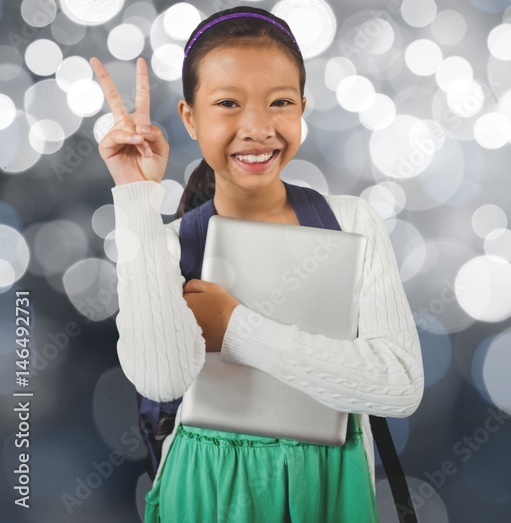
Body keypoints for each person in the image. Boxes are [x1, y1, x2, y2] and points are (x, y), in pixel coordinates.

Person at [90, 6, 424, 522]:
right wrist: (136, 193)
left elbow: (399, 386)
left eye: (281, 102)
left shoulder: (351, 222)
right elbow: (161, 381)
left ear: (303, 108)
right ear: (189, 117)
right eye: (227, 103)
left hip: (330, 488)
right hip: (206, 490)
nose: (258, 128)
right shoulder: (166, 245)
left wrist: (236, 328)